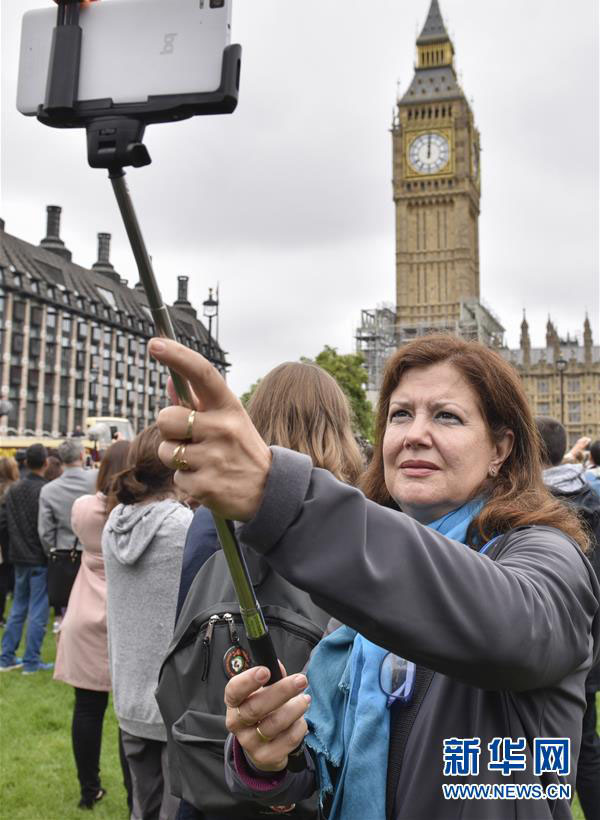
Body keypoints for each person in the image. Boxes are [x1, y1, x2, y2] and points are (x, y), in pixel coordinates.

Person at [150, 334, 600, 820]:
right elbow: (330, 766)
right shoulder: (363, 593)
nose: (414, 434)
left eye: (446, 415)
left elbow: (506, 626)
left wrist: (281, 495)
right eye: (400, 414)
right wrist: (272, 757)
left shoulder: (545, 556)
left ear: (500, 447)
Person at [172, 361, 363, 820]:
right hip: (311, 768)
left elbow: (184, 630)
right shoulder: (353, 518)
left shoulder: (210, 519)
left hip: (209, 763)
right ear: (338, 426)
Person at [102, 425, 192, 820]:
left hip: (129, 691)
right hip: (175, 700)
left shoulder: (114, 523)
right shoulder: (183, 527)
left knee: (142, 807)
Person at [54, 440, 131, 810]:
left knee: (86, 709)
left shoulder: (84, 509)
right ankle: (138, 795)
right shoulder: (137, 515)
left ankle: (89, 790)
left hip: (84, 612)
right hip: (124, 613)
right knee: (128, 716)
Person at [536, 417, 600, 820]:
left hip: (544, 646)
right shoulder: (591, 493)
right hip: (590, 644)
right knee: (585, 745)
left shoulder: (525, 502)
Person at [0, 444, 53, 674]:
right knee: (37, 609)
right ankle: (31, 660)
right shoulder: (46, 490)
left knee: (18, 608)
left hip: (18, 556)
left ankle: (6, 656)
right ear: (46, 463)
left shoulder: (13, 490)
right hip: (38, 556)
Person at [38, 438, 97, 626]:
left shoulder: (49, 490)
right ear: (82, 455)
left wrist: (53, 551)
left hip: (63, 553)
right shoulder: (96, 479)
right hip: (94, 551)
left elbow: (45, 531)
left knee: (66, 608)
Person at [0, 456, 19, 626]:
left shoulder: (12, 490)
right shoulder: (13, 490)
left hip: (6, 538)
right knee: (5, 576)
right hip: (8, 538)